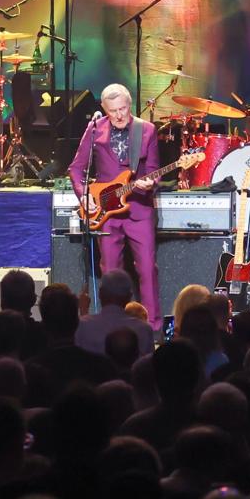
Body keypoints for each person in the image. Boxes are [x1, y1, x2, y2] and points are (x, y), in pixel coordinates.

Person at [68, 83, 161, 327]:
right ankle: (111, 326)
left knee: (147, 270)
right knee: (110, 271)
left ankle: (152, 327)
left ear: (130, 105)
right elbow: (76, 169)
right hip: (106, 210)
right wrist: (84, 196)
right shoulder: (94, 128)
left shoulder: (147, 130)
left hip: (139, 209)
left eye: (123, 109)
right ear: (103, 109)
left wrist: (149, 184)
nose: (119, 115)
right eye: (113, 111)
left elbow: (153, 171)